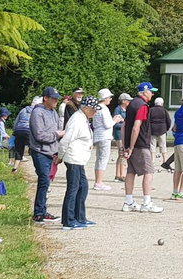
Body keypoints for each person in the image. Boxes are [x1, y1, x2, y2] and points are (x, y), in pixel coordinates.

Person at [57, 96, 101, 230]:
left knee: (83, 187)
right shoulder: (77, 120)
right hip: (73, 158)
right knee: (73, 188)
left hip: (79, 159)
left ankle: (80, 217)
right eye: (94, 109)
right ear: (85, 108)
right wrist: (60, 156)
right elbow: (66, 140)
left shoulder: (83, 118)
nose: (95, 112)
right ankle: (68, 221)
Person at [121, 82, 163, 213]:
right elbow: (135, 127)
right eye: (151, 91)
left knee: (131, 172)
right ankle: (147, 202)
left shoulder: (131, 104)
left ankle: (128, 202)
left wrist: (125, 145)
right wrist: (132, 147)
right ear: (145, 92)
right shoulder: (143, 106)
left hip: (130, 143)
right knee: (149, 171)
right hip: (140, 144)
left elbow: (124, 126)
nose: (152, 93)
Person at [29, 87, 64, 224]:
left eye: (57, 98)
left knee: (46, 182)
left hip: (51, 152)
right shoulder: (37, 113)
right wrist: (57, 135)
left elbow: (58, 131)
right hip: (40, 152)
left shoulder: (53, 112)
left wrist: (57, 150)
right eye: (53, 98)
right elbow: (39, 135)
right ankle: (38, 213)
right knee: (43, 180)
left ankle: (42, 211)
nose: (56, 100)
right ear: (45, 98)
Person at [92, 89, 123, 191]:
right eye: (109, 97)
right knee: (103, 159)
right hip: (104, 136)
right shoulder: (104, 109)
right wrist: (116, 120)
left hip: (98, 136)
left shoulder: (96, 108)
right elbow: (107, 124)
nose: (110, 99)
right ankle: (98, 182)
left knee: (99, 158)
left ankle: (98, 180)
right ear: (105, 98)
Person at [11, 97, 41, 174]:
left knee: (19, 151)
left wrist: (14, 131)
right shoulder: (37, 111)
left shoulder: (23, 110)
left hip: (18, 130)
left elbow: (16, 122)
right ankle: (38, 169)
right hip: (28, 130)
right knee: (34, 150)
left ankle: (14, 169)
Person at [112, 93, 132, 182]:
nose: (129, 102)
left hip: (123, 134)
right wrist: (125, 124)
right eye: (128, 100)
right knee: (122, 154)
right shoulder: (118, 110)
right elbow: (115, 124)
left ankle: (119, 174)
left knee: (122, 154)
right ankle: (120, 175)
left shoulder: (126, 110)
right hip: (119, 135)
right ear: (123, 101)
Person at [149, 97, 171, 163]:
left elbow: (148, 120)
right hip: (162, 129)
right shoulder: (164, 110)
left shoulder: (151, 110)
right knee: (163, 144)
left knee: (152, 144)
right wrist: (166, 128)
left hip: (152, 129)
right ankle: (164, 160)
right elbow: (168, 121)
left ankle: (152, 159)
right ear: (162, 103)